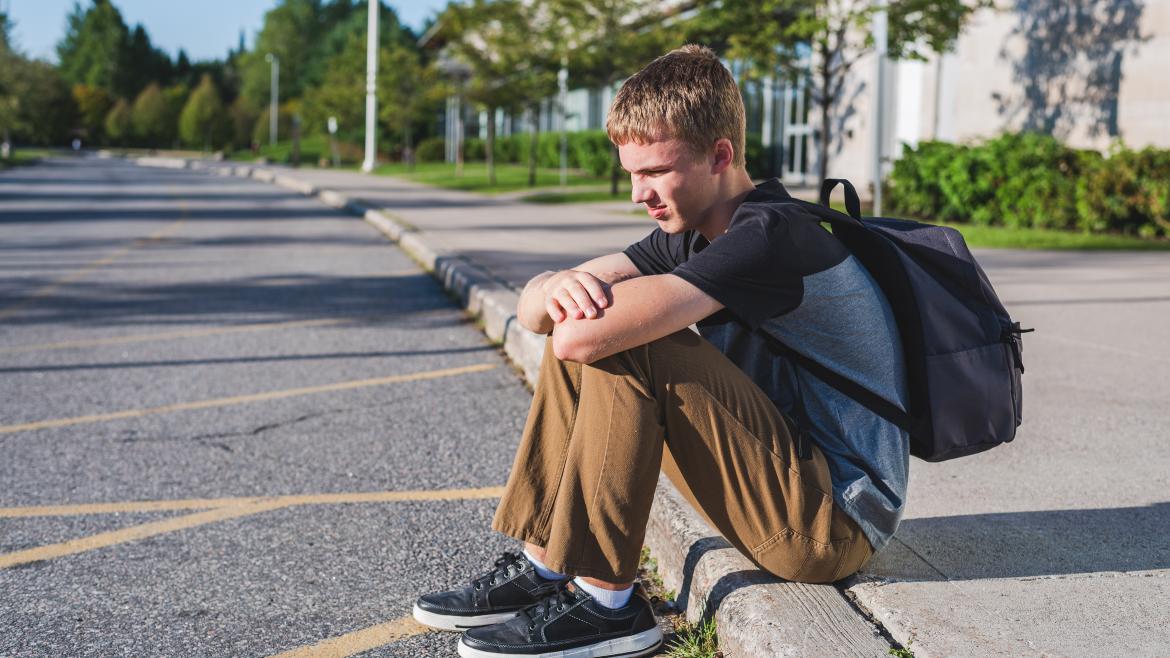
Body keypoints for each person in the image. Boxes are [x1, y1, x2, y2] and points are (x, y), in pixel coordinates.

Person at [413, 44, 910, 658]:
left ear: (719, 155)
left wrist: (570, 302)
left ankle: (609, 605)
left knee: (629, 345)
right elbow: (536, 314)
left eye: (653, 172)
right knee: (597, 328)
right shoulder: (697, 232)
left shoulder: (769, 237)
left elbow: (577, 335)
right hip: (784, 490)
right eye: (630, 173)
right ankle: (546, 565)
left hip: (830, 527)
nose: (637, 194)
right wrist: (556, 284)